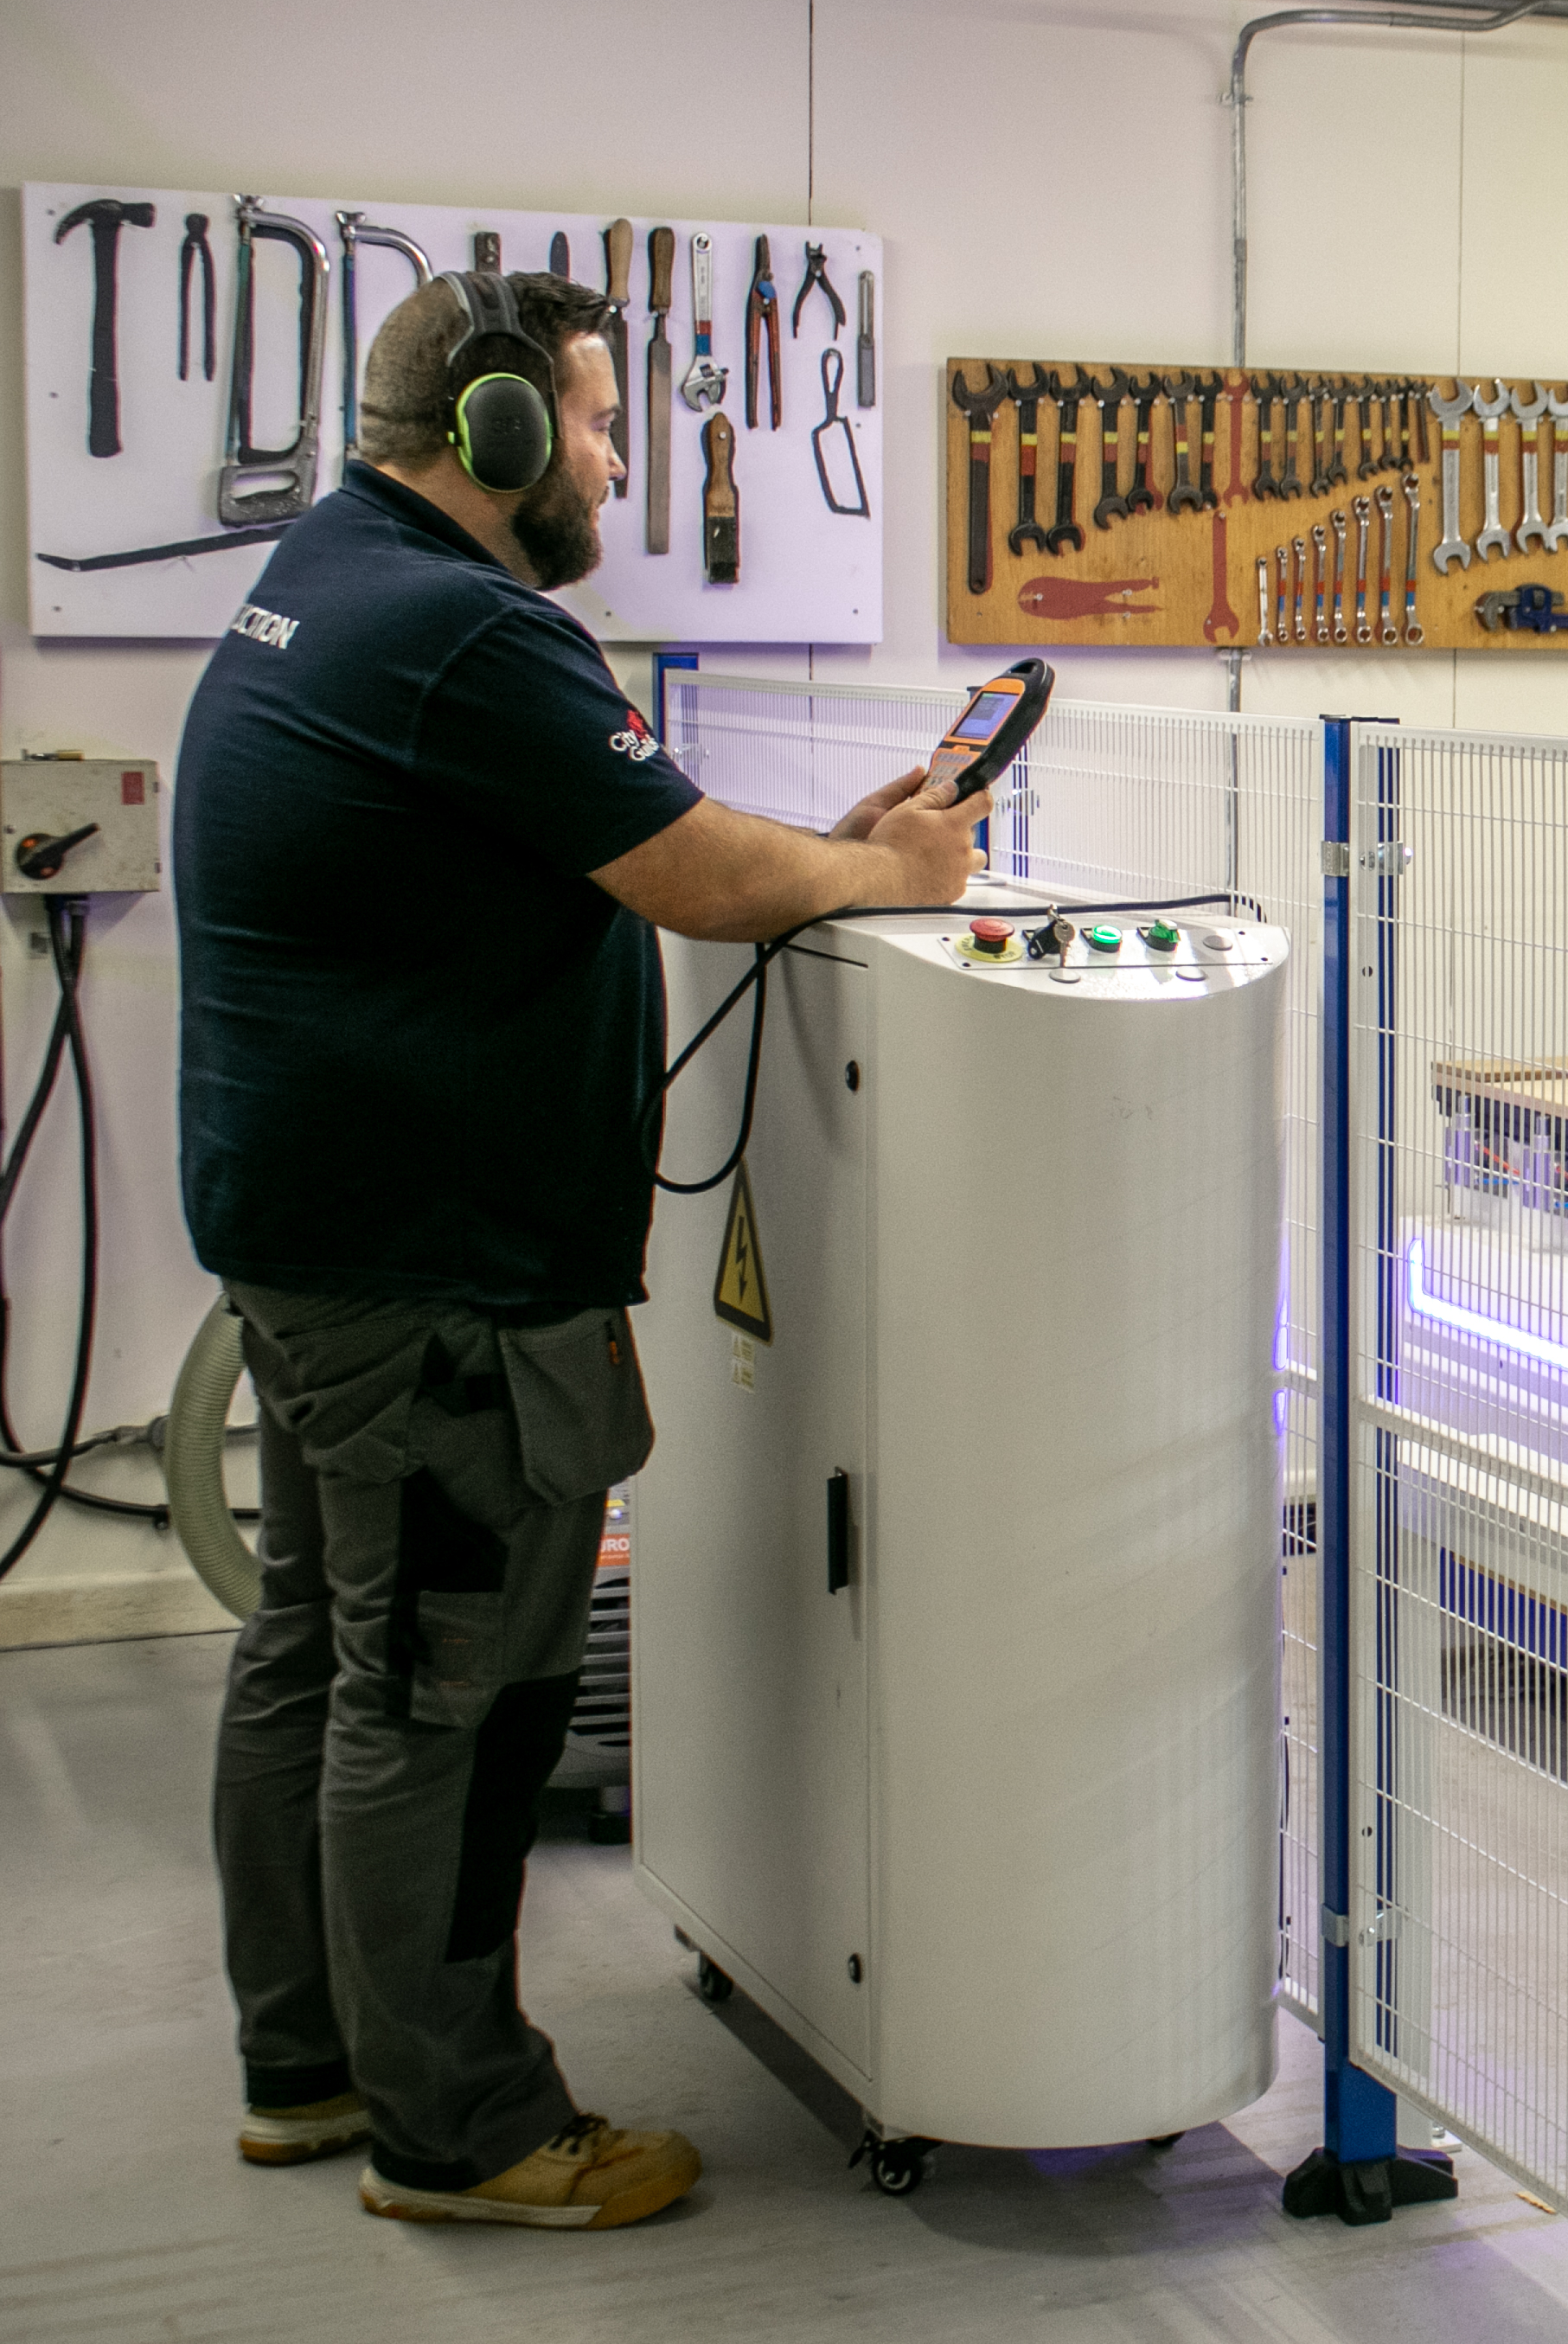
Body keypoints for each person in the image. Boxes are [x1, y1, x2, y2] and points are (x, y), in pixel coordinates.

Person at [175, 269, 984, 2230]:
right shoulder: (462, 629)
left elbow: (621, 831)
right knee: (446, 1691)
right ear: (501, 438)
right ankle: (458, 2128)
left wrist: (835, 844)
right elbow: (694, 874)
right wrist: (892, 872)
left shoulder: (325, 581)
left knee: (320, 1644)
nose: (618, 463)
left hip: (313, 1237)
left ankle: (311, 2064)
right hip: (440, 1276)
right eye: (601, 427)